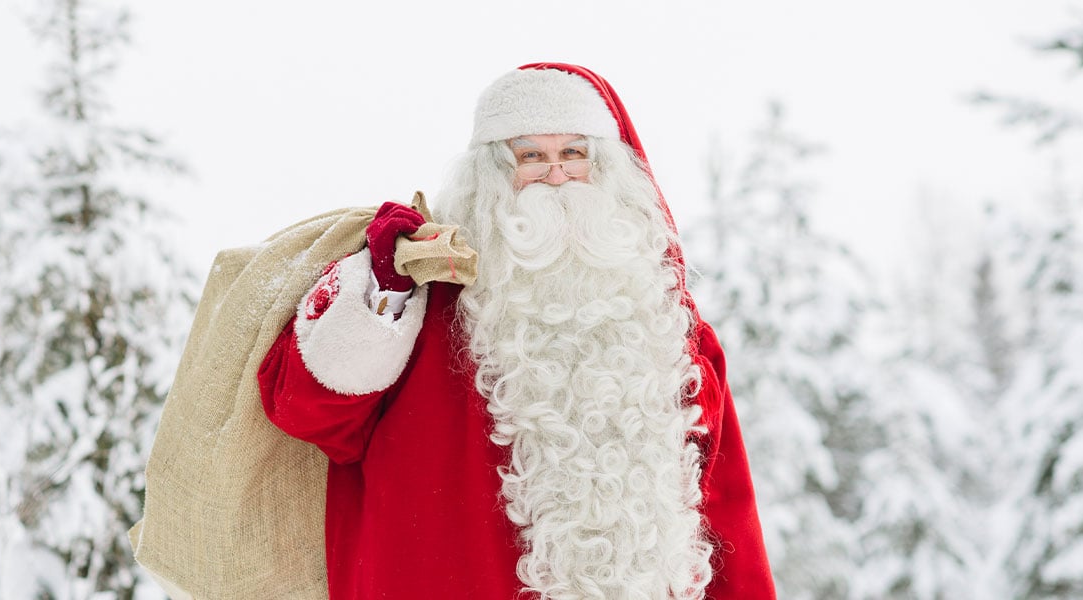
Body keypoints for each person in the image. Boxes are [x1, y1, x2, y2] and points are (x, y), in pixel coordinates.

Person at [258, 63, 775, 599]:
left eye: (575, 153)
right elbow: (308, 414)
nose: (556, 174)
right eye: (530, 156)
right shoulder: (421, 301)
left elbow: (724, 509)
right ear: (489, 176)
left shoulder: (667, 331)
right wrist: (383, 286)